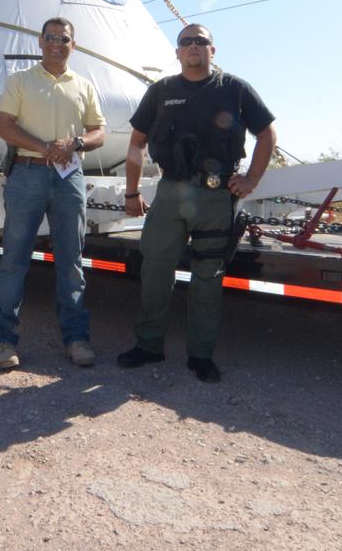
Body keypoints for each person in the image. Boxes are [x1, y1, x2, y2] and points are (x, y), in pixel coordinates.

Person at [117, 23, 275, 383]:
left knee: (207, 277)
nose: (193, 47)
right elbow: (136, 143)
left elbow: (267, 133)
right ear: (176, 52)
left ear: (212, 50)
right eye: (185, 42)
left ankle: (201, 355)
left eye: (200, 41)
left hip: (216, 196)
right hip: (171, 192)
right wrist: (131, 191)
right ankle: (148, 346)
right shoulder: (161, 91)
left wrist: (251, 179)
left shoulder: (233, 89)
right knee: (155, 270)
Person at [0, 17, 106, 369]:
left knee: (71, 262)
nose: (57, 43)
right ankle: (4, 341)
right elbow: (2, 126)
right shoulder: (19, 81)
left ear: (74, 44)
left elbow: (99, 130)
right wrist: (46, 147)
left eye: (64, 38)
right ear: (40, 42)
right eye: (51, 37)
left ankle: (76, 339)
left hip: (68, 178)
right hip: (27, 174)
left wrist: (77, 143)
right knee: (14, 260)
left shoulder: (83, 85)